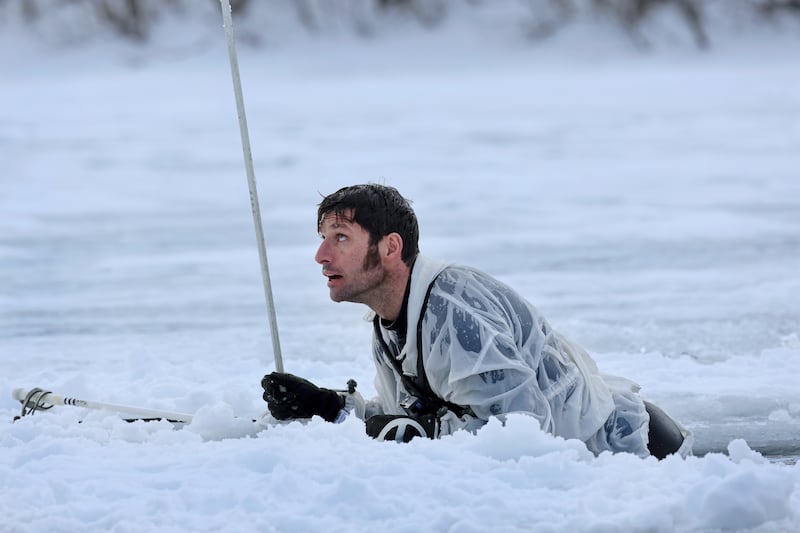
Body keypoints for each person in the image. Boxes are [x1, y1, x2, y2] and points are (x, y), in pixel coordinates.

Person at [261, 184, 691, 458]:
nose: (321, 256)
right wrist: (329, 406)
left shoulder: (455, 313)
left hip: (637, 458)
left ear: (390, 248)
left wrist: (418, 431)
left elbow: (521, 429)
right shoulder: (391, 320)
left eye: (340, 239)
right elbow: (403, 417)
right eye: (322, 240)